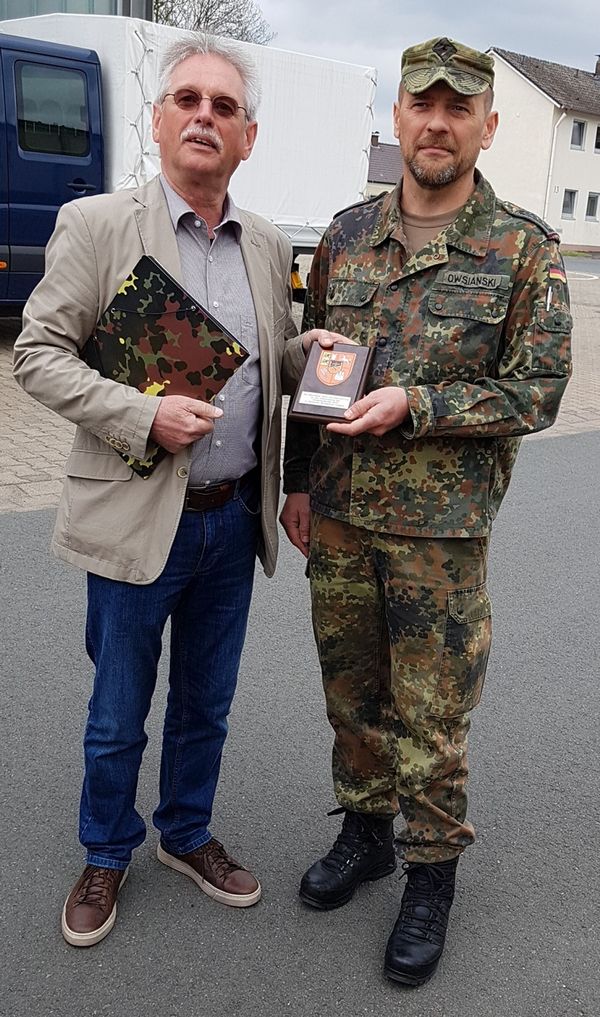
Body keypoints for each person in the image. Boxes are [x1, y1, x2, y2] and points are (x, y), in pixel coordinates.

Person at [280, 37, 572, 987]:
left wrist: (422, 403)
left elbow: (538, 392)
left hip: (440, 539)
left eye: (460, 107)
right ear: (397, 118)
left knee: (432, 714)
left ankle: (431, 872)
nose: (438, 122)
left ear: (487, 126)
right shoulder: (344, 236)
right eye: (422, 104)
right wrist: (294, 480)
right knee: (349, 692)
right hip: (338, 516)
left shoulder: (523, 246)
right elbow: (307, 370)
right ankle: (365, 832)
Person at [13, 33, 312, 948]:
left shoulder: (264, 242)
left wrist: (327, 361)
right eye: (188, 100)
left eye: (224, 107)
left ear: (249, 137)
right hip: (142, 517)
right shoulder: (99, 226)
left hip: (231, 523)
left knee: (206, 703)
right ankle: (106, 850)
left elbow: (277, 354)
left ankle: (185, 834)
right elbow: (35, 354)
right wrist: (142, 417)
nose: (204, 118)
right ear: (158, 119)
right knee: (118, 711)